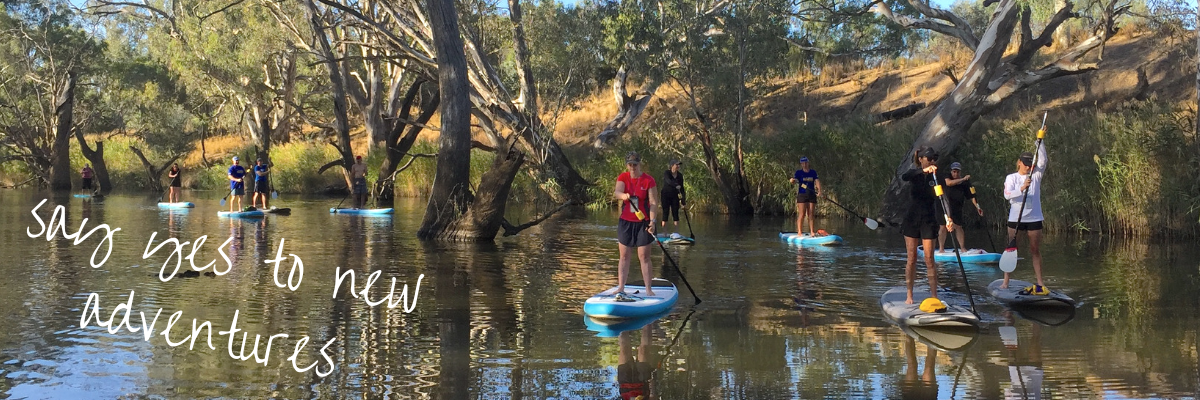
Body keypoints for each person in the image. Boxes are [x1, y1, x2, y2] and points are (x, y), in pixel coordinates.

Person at [900, 147, 955, 305]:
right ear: (921, 159)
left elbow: (943, 198)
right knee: (912, 258)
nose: (932, 162)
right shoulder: (914, 174)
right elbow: (905, 176)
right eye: (929, 159)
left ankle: (934, 296)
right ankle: (909, 295)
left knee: (929, 258)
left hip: (929, 219)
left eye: (934, 159)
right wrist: (923, 172)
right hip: (912, 218)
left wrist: (948, 218)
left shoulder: (937, 176)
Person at [1001, 141, 1049, 294]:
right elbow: (1007, 195)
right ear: (1020, 163)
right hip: (1016, 219)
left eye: (1031, 164)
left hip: (1034, 218)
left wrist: (1039, 141)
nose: (1029, 167)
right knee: (1011, 249)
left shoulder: (1036, 176)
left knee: (1035, 249)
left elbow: (1043, 161)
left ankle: (1040, 283)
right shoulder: (1011, 178)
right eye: (1026, 164)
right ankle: (1005, 282)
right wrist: (1021, 188)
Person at [613, 151, 659, 300]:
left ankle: (648, 289)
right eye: (630, 164)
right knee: (624, 256)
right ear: (627, 165)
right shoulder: (623, 177)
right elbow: (617, 192)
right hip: (626, 222)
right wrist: (623, 195)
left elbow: (653, 203)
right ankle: (621, 287)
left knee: (644, 256)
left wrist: (652, 222)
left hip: (643, 222)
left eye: (635, 164)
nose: (632, 167)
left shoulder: (648, 180)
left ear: (640, 164)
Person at [939, 162, 983, 253]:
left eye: (957, 172)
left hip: (957, 207)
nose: (955, 174)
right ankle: (941, 249)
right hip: (945, 207)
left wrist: (978, 207)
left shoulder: (965, 183)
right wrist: (962, 179)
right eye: (954, 172)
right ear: (951, 171)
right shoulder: (947, 177)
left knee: (958, 227)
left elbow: (972, 196)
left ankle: (962, 248)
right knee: (943, 227)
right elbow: (949, 183)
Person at [617, 324, 658, 400]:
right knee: (644, 350)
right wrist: (652, 388)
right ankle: (648, 320)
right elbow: (653, 397)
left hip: (625, 386)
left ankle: (622, 318)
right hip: (643, 384)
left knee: (624, 348)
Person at [789, 156, 822, 236]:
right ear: (801, 164)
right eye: (803, 163)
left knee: (811, 213)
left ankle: (812, 232)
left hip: (811, 194)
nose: (804, 164)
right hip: (802, 195)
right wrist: (792, 181)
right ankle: (799, 232)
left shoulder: (813, 172)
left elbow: (817, 181)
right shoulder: (798, 173)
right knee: (802, 214)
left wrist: (820, 191)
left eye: (806, 163)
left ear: (808, 163)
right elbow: (795, 180)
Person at [660, 160, 686, 235]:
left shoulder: (680, 175)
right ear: (672, 165)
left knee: (675, 213)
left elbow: (682, 188)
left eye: (679, 165)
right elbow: (668, 181)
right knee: (666, 212)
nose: (678, 166)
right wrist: (675, 185)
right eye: (676, 164)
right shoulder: (667, 173)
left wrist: (683, 201)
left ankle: (676, 233)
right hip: (665, 195)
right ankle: (664, 232)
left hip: (675, 196)